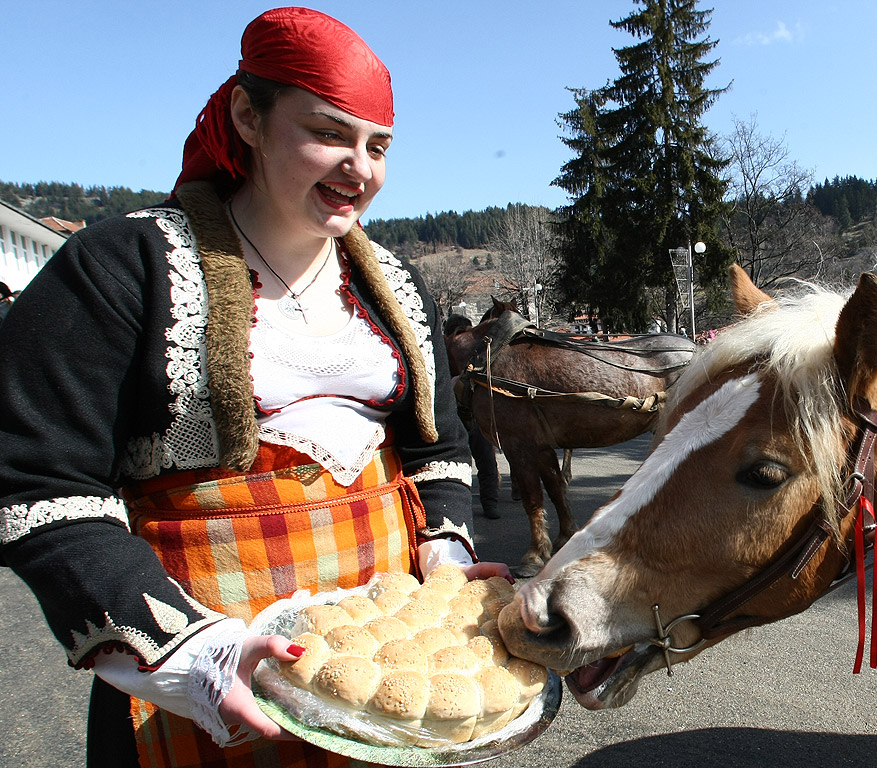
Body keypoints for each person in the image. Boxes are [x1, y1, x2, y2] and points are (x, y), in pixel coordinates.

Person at [0, 8, 510, 767]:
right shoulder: (123, 267)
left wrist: (441, 554)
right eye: (329, 133)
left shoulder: (396, 286)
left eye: (377, 146)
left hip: (385, 666)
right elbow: (34, 479)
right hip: (205, 660)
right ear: (248, 115)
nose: (360, 168)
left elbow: (439, 447)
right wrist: (191, 649)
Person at [442, 313, 501, 518]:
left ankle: (490, 504)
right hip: (455, 418)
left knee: (486, 463)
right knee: (462, 464)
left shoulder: (476, 353)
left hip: (474, 416)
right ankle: (463, 506)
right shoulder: (442, 355)